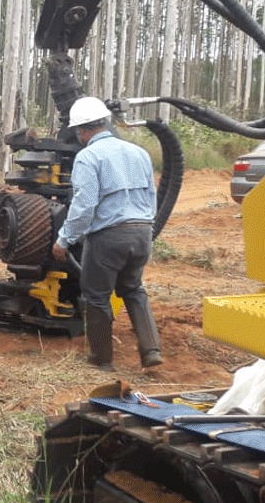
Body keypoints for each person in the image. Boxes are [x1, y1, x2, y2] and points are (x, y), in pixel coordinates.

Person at [51, 96, 163, 371]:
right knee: (133, 289)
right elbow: (151, 196)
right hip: (142, 232)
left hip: (108, 237)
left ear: (82, 131)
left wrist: (64, 240)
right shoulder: (139, 153)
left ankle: (101, 361)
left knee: (96, 296)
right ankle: (151, 351)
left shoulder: (88, 157)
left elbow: (85, 204)